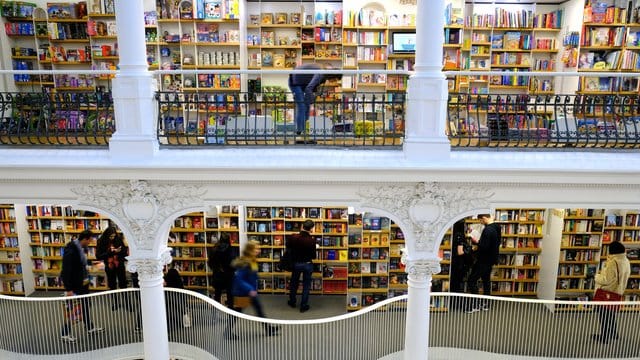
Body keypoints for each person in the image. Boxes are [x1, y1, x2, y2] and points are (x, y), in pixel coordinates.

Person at [60, 230, 104, 342]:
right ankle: (64, 334)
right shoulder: (71, 250)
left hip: (83, 284)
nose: (89, 244)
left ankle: (90, 327)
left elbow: (81, 266)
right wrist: (68, 289)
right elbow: (66, 270)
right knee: (72, 310)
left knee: (85, 306)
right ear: (85, 239)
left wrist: (93, 266)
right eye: (89, 241)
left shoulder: (80, 248)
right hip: (74, 285)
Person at [231, 240, 278, 336]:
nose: (259, 250)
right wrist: (250, 289)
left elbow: (252, 275)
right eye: (256, 248)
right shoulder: (246, 263)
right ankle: (227, 332)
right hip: (243, 292)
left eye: (259, 248)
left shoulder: (252, 260)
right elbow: (239, 279)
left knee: (259, 309)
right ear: (250, 250)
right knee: (236, 313)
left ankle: (269, 329)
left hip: (250, 291)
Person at [592, 241, 630, 344]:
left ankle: (604, 337)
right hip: (618, 292)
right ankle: (614, 333)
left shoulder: (613, 262)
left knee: (603, 315)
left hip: (607, 291)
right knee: (611, 313)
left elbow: (606, 280)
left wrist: (596, 277)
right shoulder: (626, 260)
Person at [288, 63, 341, 135]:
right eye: (335, 79)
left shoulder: (323, 77)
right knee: (302, 107)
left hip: (302, 83)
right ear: (332, 75)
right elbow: (309, 88)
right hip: (295, 82)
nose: (334, 81)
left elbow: (313, 88)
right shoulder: (320, 74)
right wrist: (312, 102)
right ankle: (299, 131)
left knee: (307, 107)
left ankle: (305, 130)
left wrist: (311, 101)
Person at [466, 213, 501, 313]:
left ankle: (475, 305)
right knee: (486, 281)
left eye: (481, 221)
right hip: (491, 259)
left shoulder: (488, 229)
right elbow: (496, 243)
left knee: (471, 280)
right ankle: (486, 304)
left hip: (483, 260)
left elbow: (484, 247)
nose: (481, 223)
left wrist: (475, 242)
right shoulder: (497, 227)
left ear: (484, 218)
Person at [287, 219, 316, 312]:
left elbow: (288, 248)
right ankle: (303, 306)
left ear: (302, 227)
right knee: (306, 285)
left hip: (296, 264)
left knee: (294, 283)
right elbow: (314, 256)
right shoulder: (311, 241)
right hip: (307, 264)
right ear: (311, 229)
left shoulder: (293, 237)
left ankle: (292, 301)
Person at [96, 226, 128, 310]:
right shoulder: (101, 241)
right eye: (110, 236)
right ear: (107, 235)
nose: (112, 238)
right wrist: (110, 253)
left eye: (114, 236)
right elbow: (98, 256)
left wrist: (120, 251)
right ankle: (115, 303)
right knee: (112, 285)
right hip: (110, 266)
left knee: (123, 284)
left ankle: (127, 303)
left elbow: (125, 252)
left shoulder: (118, 239)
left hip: (119, 265)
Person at [207, 232, 236, 307]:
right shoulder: (230, 249)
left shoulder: (215, 248)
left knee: (217, 293)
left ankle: (216, 311)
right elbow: (233, 263)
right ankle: (230, 314)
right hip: (228, 275)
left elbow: (210, 262)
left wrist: (215, 269)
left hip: (218, 275)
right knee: (230, 294)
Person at [449, 220, 472, 310]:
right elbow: (460, 252)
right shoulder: (460, 235)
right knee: (457, 283)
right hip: (459, 263)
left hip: (454, 262)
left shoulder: (453, 235)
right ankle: (456, 303)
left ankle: (452, 302)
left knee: (454, 283)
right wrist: (470, 249)